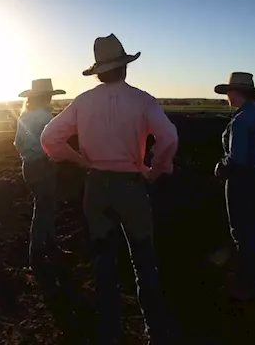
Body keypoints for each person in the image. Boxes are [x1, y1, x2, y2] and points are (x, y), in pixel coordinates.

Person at [40, 34, 179, 345]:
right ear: (125, 68)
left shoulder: (83, 102)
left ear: (99, 71)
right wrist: (155, 170)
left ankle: (109, 332)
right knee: (143, 259)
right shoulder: (142, 100)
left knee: (103, 259)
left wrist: (78, 160)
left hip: (96, 187)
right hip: (130, 185)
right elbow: (169, 138)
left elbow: (49, 138)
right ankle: (154, 332)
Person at [14, 78, 90, 343]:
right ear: (47, 97)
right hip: (44, 166)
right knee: (46, 206)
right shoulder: (47, 117)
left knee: (42, 204)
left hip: (28, 167)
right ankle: (39, 249)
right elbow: (56, 142)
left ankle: (47, 246)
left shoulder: (25, 115)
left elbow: (17, 145)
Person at [213, 72, 255, 301]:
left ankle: (244, 285)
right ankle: (252, 278)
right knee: (252, 229)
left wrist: (220, 168)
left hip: (239, 182)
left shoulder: (239, 121)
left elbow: (236, 159)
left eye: (229, 92)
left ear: (235, 93)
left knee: (240, 232)